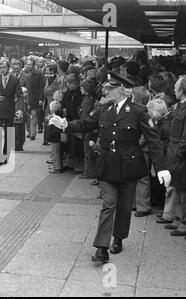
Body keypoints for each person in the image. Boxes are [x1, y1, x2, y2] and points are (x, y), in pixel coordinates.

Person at [49, 71, 171, 263]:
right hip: (107, 164)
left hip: (129, 166)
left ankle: (119, 237)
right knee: (108, 204)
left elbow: (153, 139)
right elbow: (86, 123)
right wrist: (65, 125)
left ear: (122, 90)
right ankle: (101, 248)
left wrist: (161, 167)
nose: (106, 91)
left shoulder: (139, 111)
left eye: (110, 88)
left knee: (123, 206)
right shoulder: (104, 109)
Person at [0, 60, 24, 167]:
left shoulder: (15, 79)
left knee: (9, 134)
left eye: (4, 67)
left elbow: (19, 95)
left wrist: (20, 109)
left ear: (8, 68)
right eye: (0, 67)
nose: (2, 69)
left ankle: (5, 157)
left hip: (9, 110)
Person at [166, 76, 186, 238]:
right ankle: (179, 218)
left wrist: (179, 152)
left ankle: (184, 222)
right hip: (174, 152)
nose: (173, 89)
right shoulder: (179, 106)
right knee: (178, 188)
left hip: (180, 154)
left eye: (176, 87)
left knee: (183, 190)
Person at [26, 58, 46, 138]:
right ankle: (29, 130)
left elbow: (42, 87)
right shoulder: (24, 74)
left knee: (33, 115)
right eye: (27, 65)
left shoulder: (39, 74)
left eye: (30, 65)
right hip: (25, 98)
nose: (28, 66)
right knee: (26, 116)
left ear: (33, 66)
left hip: (35, 97)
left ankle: (32, 133)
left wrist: (41, 98)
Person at [12, 59, 29, 151]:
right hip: (12, 103)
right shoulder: (10, 76)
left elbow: (28, 90)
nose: (16, 70)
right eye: (14, 68)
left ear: (21, 67)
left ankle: (19, 143)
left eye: (17, 68)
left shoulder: (26, 77)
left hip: (21, 103)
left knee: (20, 124)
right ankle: (15, 143)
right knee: (13, 124)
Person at [46, 91, 64, 173]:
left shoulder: (54, 118)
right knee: (56, 152)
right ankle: (56, 165)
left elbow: (52, 128)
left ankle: (56, 167)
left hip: (55, 138)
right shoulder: (59, 116)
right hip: (58, 137)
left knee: (55, 153)